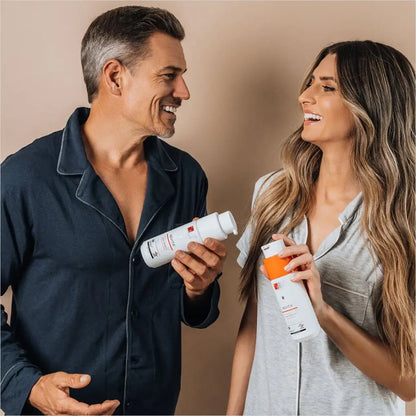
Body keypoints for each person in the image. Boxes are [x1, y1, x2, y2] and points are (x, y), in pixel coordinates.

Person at [1, 6, 227, 415]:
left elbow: (194, 313)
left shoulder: (186, 177)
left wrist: (199, 290)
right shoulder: (26, 177)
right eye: (169, 75)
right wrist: (28, 386)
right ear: (115, 77)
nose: (184, 91)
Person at [226, 40, 415, 415]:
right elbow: (253, 325)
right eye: (310, 83)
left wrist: (324, 311)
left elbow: (408, 382)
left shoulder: (402, 223)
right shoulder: (271, 194)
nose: (304, 97)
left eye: (326, 87)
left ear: (370, 105)